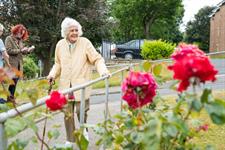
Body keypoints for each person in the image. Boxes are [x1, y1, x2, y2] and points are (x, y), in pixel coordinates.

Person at [47, 17, 110, 143]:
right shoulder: (60, 45)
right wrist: (52, 74)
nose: (75, 33)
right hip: (66, 86)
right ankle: (70, 140)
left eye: (76, 30)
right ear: (65, 32)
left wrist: (103, 71)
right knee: (67, 114)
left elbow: (97, 59)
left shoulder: (85, 42)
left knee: (81, 111)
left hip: (81, 84)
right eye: (72, 30)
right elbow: (58, 64)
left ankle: (83, 129)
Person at [5, 24, 35, 102]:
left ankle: (11, 97)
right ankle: (10, 98)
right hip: (12, 64)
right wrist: (20, 50)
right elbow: (8, 50)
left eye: (22, 33)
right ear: (16, 31)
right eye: (20, 32)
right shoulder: (9, 38)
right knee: (12, 81)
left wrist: (28, 51)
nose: (21, 34)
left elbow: (21, 52)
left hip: (19, 64)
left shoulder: (20, 40)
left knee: (15, 81)